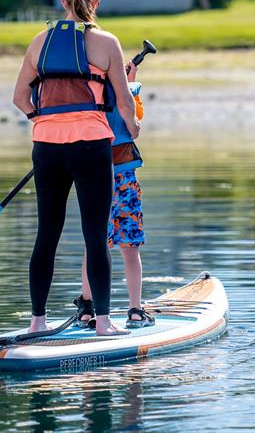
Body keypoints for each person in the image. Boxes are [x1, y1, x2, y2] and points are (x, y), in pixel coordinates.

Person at [12, 0, 139, 337]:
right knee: (95, 236)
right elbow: (125, 100)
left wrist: (44, 120)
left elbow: (20, 98)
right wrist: (133, 127)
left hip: (46, 148)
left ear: (63, 3)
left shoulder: (40, 42)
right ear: (95, 4)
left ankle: (37, 322)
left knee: (46, 235)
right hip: (91, 145)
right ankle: (102, 323)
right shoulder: (106, 42)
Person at [76, 62, 155, 329]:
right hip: (125, 180)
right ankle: (135, 310)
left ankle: (87, 309)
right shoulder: (128, 92)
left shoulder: (87, 96)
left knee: (93, 246)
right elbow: (136, 124)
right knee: (130, 248)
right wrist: (132, 82)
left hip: (94, 179)